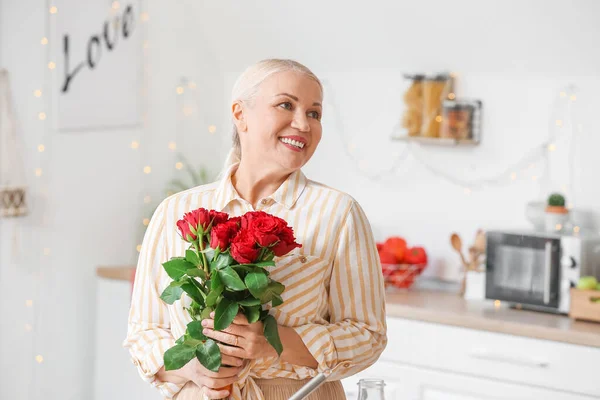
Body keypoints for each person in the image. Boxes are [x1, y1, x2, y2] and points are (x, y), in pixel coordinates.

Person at [123, 59, 387, 400]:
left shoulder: (339, 213)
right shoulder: (176, 211)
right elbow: (144, 332)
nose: (303, 124)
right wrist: (193, 368)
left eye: (314, 113)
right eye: (286, 105)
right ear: (240, 114)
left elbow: (368, 335)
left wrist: (274, 344)